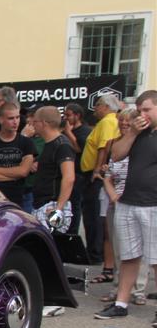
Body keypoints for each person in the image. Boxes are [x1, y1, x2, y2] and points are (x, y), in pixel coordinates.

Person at [95, 90, 157, 328]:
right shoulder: (137, 134)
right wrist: (132, 132)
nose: (142, 115)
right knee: (129, 256)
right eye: (139, 110)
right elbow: (116, 154)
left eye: (147, 110)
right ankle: (121, 303)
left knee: (155, 259)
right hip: (129, 202)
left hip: (153, 204)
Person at [94, 109, 149, 305]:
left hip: (140, 200)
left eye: (128, 121)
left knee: (142, 249)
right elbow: (108, 173)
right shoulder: (114, 143)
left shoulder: (144, 140)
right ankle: (118, 287)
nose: (124, 124)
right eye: (122, 121)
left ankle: (139, 290)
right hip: (117, 201)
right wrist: (112, 194)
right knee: (120, 248)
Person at [80, 93, 122, 263]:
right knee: (96, 214)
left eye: (97, 105)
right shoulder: (111, 121)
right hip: (95, 172)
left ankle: (94, 254)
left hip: (94, 174)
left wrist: (97, 170)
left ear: (105, 106)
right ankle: (96, 252)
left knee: (93, 215)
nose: (95, 108)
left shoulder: (107, 121)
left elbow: (103, 147)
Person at [0, 102, 36, 208]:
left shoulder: (26, 142)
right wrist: (14, 175)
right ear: (0, 120)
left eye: (17, 117)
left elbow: (23, 172)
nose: (15, 122)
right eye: (11, 118)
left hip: (19, 200)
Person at [63, 102, 93, 245]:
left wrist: (69, 133)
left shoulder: (85, 131)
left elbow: (79, 149)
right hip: (66, 172)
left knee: (75, 205)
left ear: (77, 115)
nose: (66, 118)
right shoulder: (67, 130)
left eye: (68, 115)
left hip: (79, 173)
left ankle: (73, 234)